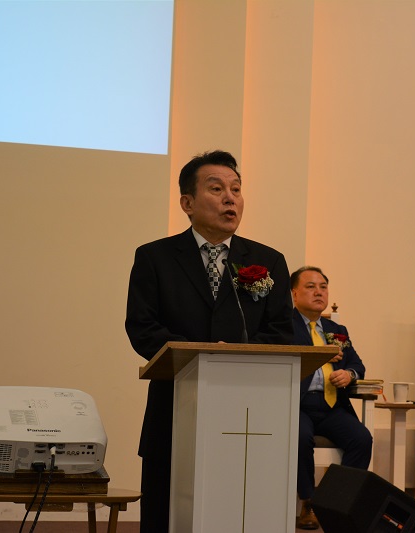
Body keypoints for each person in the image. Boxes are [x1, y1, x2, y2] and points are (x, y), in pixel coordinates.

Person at [125, 150, 294, 533]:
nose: (230, 198)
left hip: (249, 408)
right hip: (176, 404)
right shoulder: (155, 257)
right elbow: (142, 327)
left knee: (239, 508)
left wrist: (236, 357)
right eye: (216, 189)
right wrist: (198, 357)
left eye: (236, 189)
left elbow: (282, 330)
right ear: (187, 202)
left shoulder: (268, 260)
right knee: (167, 511)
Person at [291, 266, 372, 531]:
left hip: (332, 405)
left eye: (323, 287)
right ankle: (308, 502)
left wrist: (349, 374)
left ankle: (337, 504)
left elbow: (358, 365)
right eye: (310, 286)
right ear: (294, 294)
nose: (319, 292)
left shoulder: (336, 329)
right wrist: (317, 356)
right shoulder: (283, 327)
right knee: (300, 436)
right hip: (298, 404)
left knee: (362, 439)